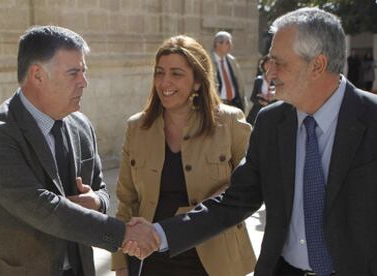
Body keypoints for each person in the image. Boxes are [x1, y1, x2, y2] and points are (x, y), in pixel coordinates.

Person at [127, 7, 377, 276]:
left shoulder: (371, 119)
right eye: (268, 61)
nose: (268, 73)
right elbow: (235, 200)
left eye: (278, 63)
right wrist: (160, 233)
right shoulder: (271, 123)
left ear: (317, 65)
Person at [0, 25, 158, 276]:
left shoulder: (81, 125)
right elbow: (41, 207)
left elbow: (100, 188)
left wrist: (97, 200)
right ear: (37, 75)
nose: (84, 82)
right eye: (73, 73)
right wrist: (123, 234)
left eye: (84, 71)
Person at [112, 35, 255, 276]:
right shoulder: (137, 127)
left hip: (216, 262)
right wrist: (120, 264)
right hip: (150, 259)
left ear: (197, 81)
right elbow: (126, 201)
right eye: (159, 72)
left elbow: (247, 190)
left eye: (176, 73)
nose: (164, 82)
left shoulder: (231, 122)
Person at [211, 31, 247, 112]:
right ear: (218, 44)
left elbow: (239, 81)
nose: (230, 45)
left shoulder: (231, 60)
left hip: (234, 102)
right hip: (218, 104)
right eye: (227, 43)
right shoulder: (209, 60)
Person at [246, 55, 276, 125]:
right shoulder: (259, 80)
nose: (269, 65)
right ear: (263, 65)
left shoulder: (276, 80)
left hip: (272, 111)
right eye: (267, 63)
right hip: (258, 111)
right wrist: (262, 102)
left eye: (271, 63)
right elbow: (252, 98)